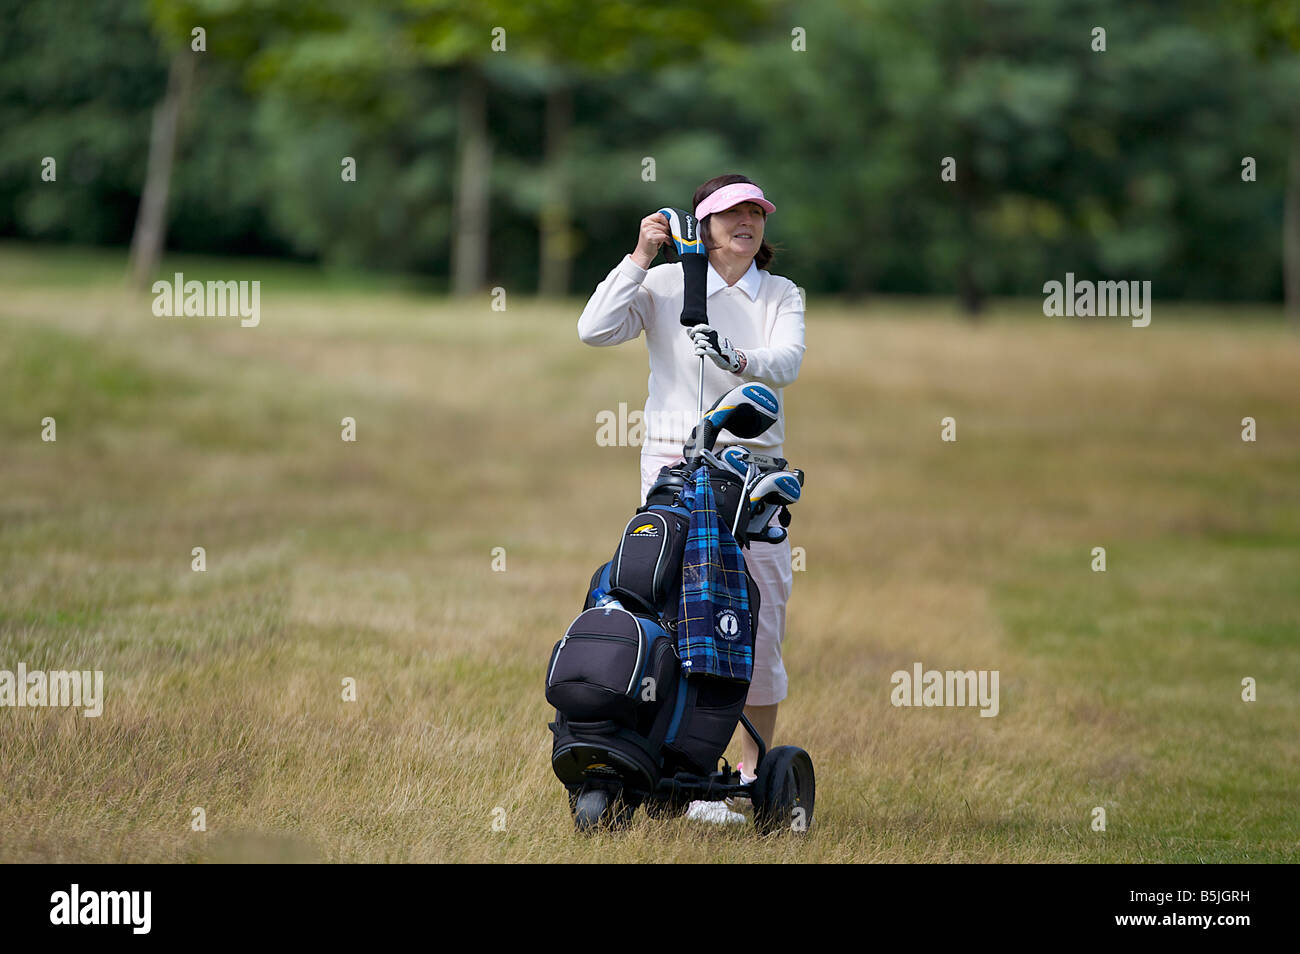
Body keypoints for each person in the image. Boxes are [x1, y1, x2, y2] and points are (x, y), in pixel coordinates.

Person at [576, 173, 806, 823]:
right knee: (667, 607)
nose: (747, 221)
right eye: (730, 212)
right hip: (673, 462)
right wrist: (640, 256)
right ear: (699, 224)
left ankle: (751, 775)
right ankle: (672, 758)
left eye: (755, 212)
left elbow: (786, 362)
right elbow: (594, 330)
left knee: (754, 615)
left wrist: (732, 353)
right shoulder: (665, 283)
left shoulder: (780, 292)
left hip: (752, 469)